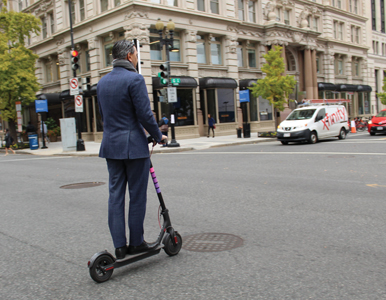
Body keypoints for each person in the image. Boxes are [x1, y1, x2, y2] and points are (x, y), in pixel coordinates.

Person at [97, 40, 167, 260]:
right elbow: (144, 114)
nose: (137, 58)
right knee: (137, 196)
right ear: (129, 56)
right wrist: (158, 136)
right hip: (134, 149)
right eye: (136, 54)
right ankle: (136, 243)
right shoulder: (135, 79)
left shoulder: (102, 82)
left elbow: (106, 117)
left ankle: (119, 246)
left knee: (115, 196)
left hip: (111, 146)